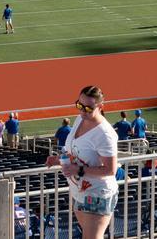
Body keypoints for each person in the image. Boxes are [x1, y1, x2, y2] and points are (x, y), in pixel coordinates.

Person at [45, 86, 118, 239]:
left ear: (100, 107)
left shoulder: (104, 134)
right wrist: (59, 160)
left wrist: (78, 170)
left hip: (97, 193)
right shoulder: (80, 119)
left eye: (88, 108)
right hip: (79, 192)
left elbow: (110, 170)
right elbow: (75, 152)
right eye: (80, 105)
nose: (83, 111)